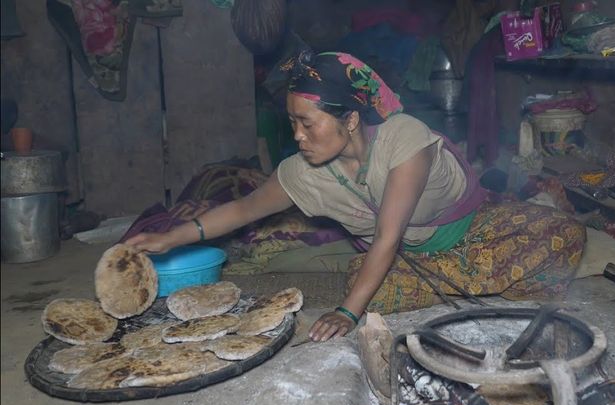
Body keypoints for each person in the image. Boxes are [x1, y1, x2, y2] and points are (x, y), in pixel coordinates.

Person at [125, 51, 586, 342]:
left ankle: (452, 280)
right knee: (368, 285)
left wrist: (348, 312)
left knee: (564, 235)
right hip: (408, 258)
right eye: (292, 123)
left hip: (468, 233)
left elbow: (387, 236)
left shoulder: (404, 139)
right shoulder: (301, 173)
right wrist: (171, 238)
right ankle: (468, 282)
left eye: (308, 123)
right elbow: (244, 209)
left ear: (349, 120)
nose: (298, 136)